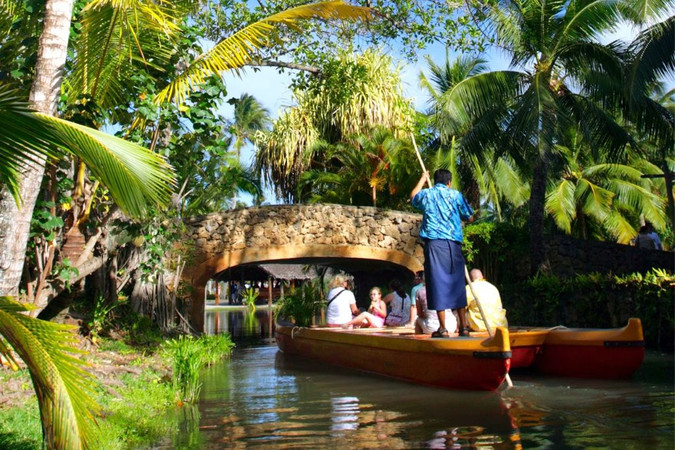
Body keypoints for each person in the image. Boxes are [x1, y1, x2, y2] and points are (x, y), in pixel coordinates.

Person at [411, 169, 474, 337]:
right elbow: (470, 217)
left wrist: (423, 179)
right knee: (457, 283)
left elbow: (413, 197)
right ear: (449, 182)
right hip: (453, 245)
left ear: (435, 180)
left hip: (435, 245)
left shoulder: (427, 194)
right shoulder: (456, 195)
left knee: (436, 283)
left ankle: (443, 328)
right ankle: (464, 327)